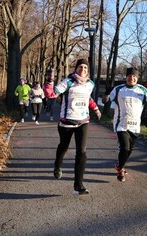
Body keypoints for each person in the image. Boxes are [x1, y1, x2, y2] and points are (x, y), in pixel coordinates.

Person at [53, 58, 101, 195]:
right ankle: (57, 164)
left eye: (85, 68)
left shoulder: (90, 84)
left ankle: (78, 186)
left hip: (83, 121)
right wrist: (51, 85)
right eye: (80, 67)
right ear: (76, 68)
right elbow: (54, 93)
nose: (83, 70)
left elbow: (88, 98)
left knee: (82, 152)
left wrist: (96, 109)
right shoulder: (68, 82)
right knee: (64, 146)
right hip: (67, 122)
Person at [103, 67, 147, 181]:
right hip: (121, 124)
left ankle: (120, 166)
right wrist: (107, 92)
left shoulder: (142, 90)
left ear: (137, 78)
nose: (132, 78)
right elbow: (105, 100)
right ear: (126, 77)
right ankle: (120, 170)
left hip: (135, 126)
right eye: (130, 76)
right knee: (125, 147)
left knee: (129, 150)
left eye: (134, 76)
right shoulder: (119, 89)